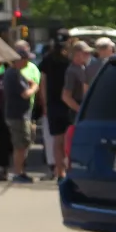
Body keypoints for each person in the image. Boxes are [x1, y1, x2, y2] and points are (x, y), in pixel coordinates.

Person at [2, 45, 40, 183]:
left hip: (20, 114)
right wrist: (35, 86)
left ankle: (20, 171)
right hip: (17, 115)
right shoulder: (14, 74)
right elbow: (25, 94)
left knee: (25, 142)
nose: (27, 63)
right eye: (26, 59)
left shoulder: (16, 73)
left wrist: (28, 83)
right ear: (19, 59)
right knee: (20, 145)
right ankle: (18, 172)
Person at [59, 40, 94, 178]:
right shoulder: (72, 71)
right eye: (85, 53)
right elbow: (66, 96)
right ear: (77, 55)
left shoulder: (84, 68)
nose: (88, 55)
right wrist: (80, 109)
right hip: (77, 110)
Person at [39, 29, 71, 181]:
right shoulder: (71, 59)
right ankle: (68, 170)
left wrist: (44, 103)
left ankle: (60, 172)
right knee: (69, 139)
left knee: (57, 140)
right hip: (70, 103)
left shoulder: (47, 59)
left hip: (53, 104)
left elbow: (42, 82)